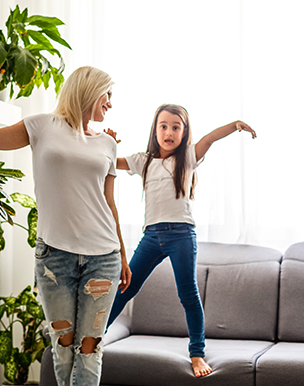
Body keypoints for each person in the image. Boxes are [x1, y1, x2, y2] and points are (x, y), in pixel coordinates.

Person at [0, 66, 132, 386]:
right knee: (63, 350)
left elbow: (109, 204)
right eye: (108, 94)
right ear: (88, 89)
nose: (111, 104)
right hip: (55, 256)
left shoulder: (108, 145)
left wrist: (124, 255)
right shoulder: (43, 125)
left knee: (90, 351)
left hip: (104, 257)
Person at [104, 104, 256, 378]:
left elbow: (208, 139)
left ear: (184, 133)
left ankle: (197, 353)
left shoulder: (187, 157)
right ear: (155, 130)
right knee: (126, 286)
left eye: (176, 127)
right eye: (163, 126)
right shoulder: (143, 160)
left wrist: (234, 125)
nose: (169, 132)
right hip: (151, 236)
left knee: (188, 294)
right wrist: (107, 143)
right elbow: (109, 161)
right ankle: (95, 337)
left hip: (182, 236)